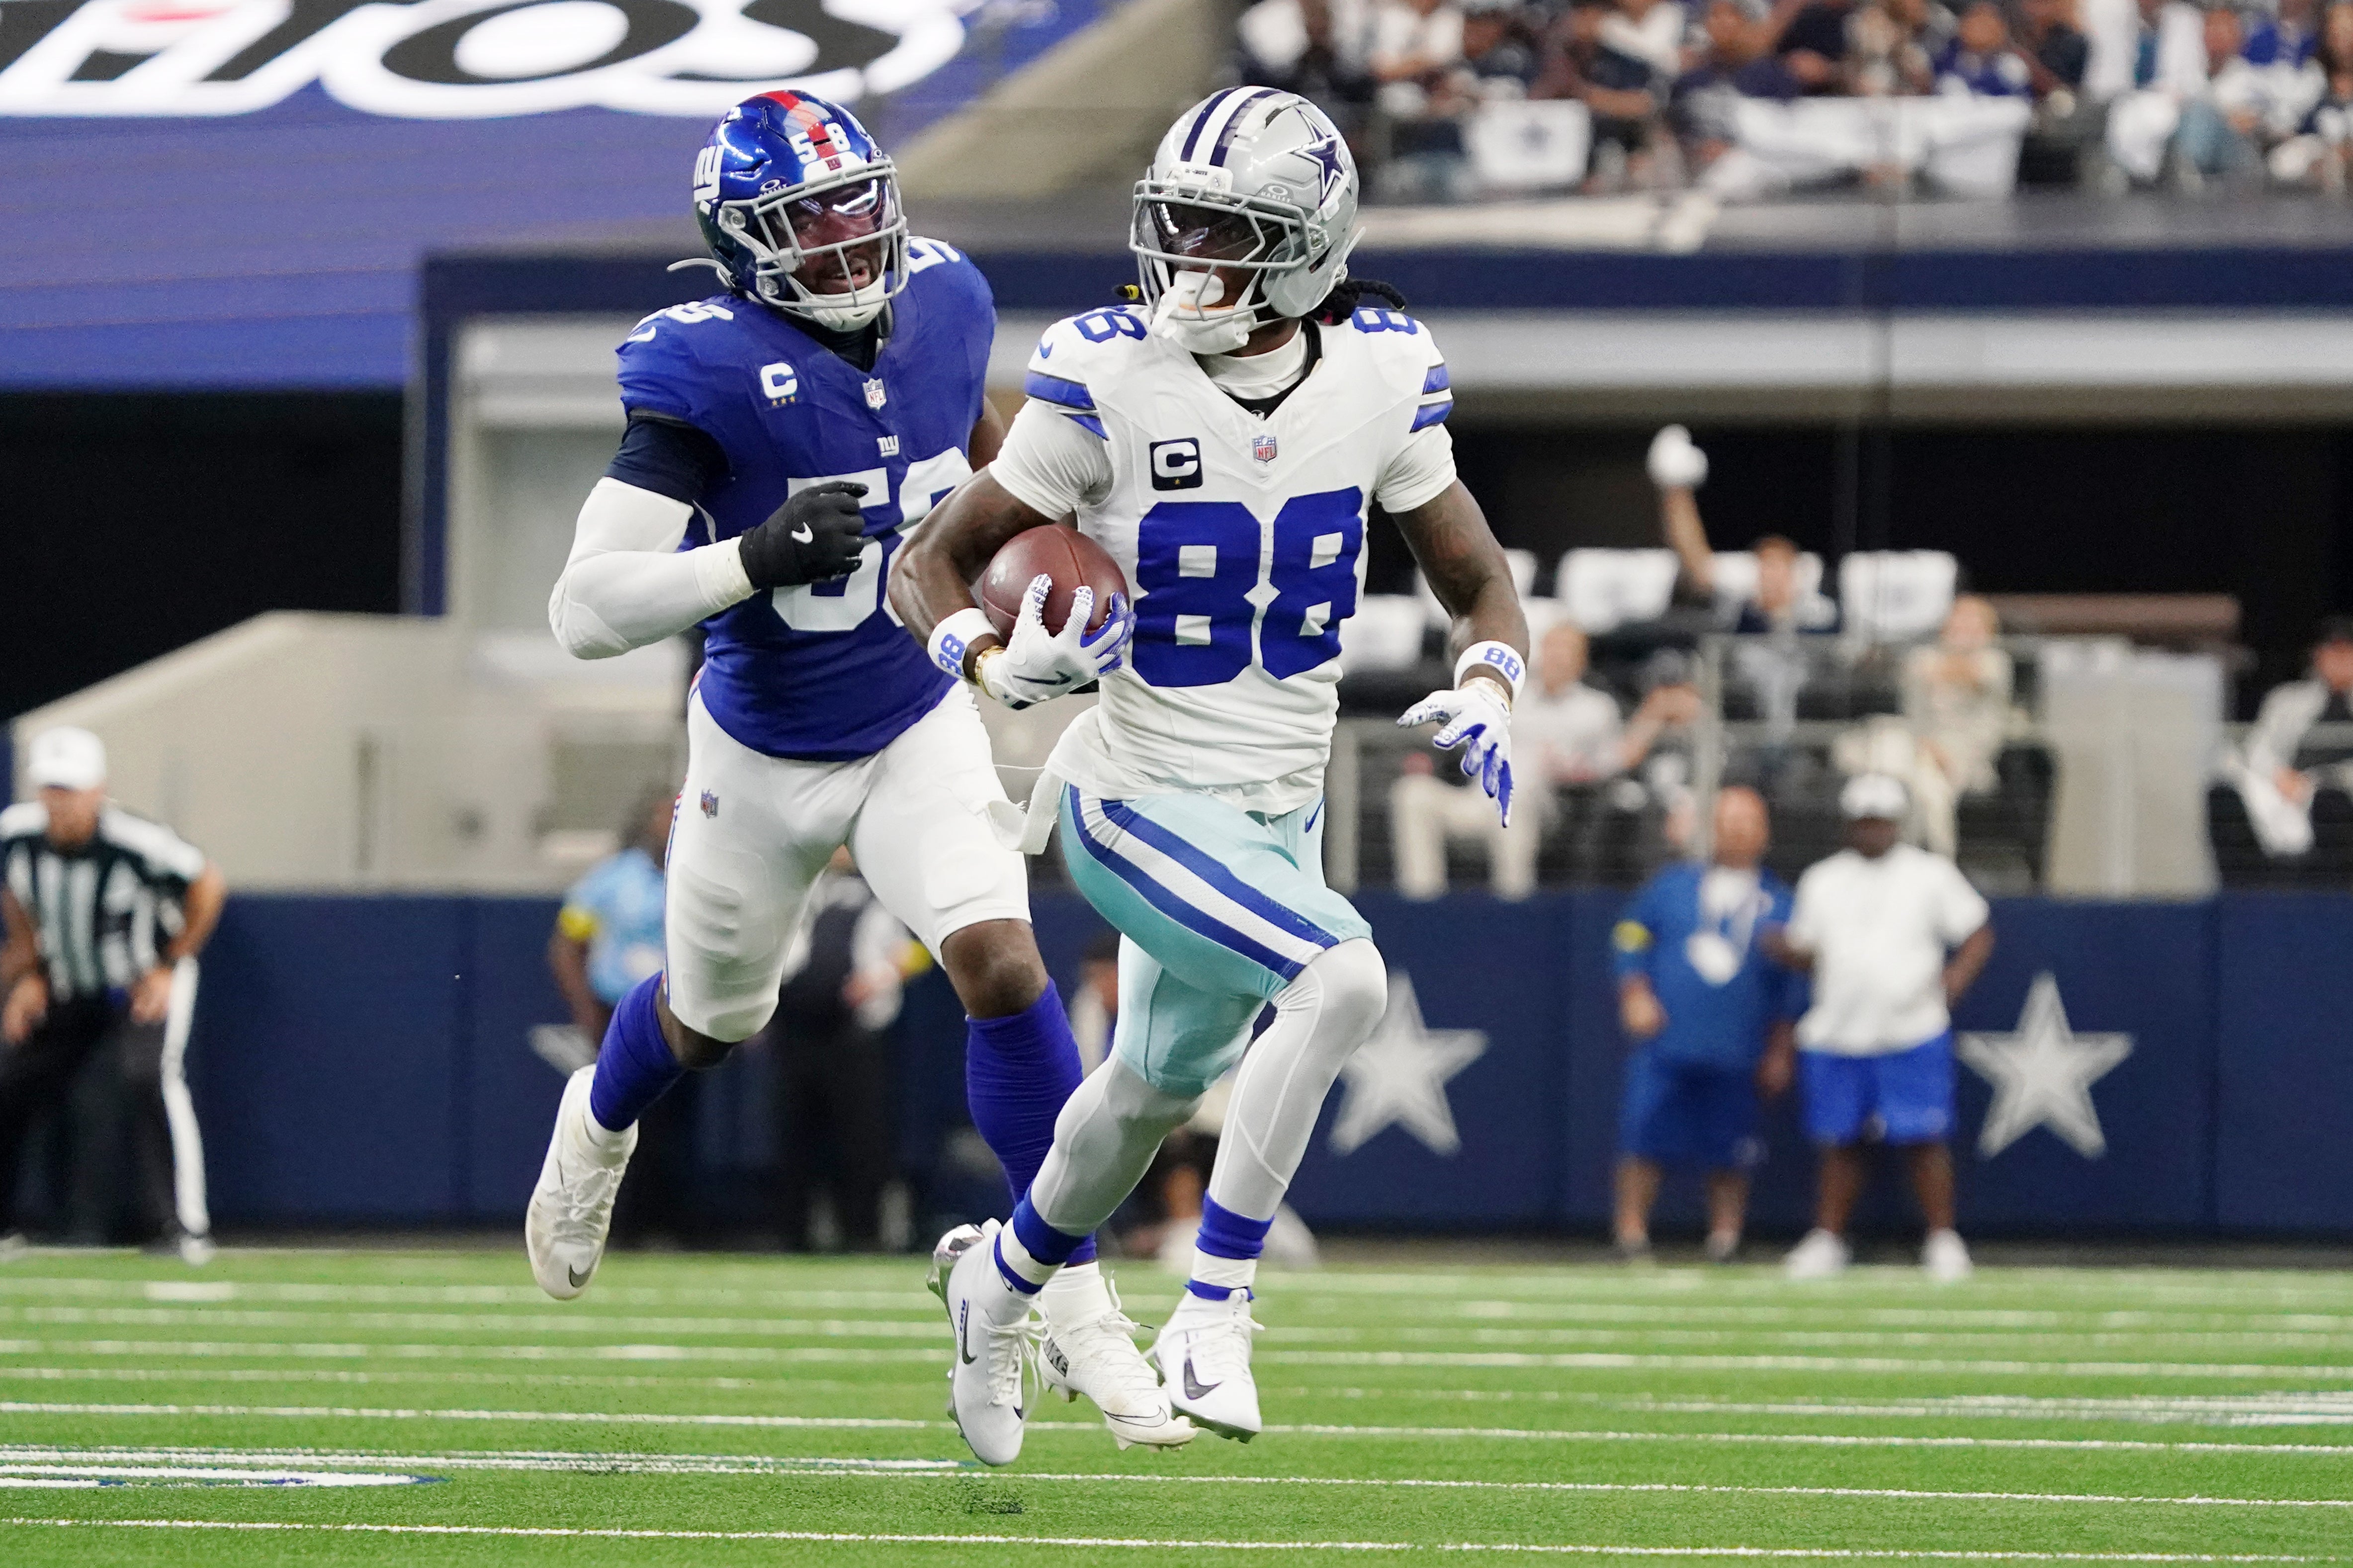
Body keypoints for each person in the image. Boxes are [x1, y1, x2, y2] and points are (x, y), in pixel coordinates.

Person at [524, 92, 1182, 1453]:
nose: (843, 243)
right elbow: (583, 611)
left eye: (851, 206)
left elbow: (984, 452)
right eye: (802, 226)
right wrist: (750, 556)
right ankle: (593, 1128)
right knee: (711, 1021)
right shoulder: (699, 374)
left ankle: (1071, 1294)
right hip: (762, 749)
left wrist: (1057, 550)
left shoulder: (945, 295)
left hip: (913, 711)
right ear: (738, 247)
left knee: (999, 961)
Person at [894, 86, 1528, 1463]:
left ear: (1307, 250)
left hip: (1271, 809)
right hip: (1132, 793)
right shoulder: (1109, 373)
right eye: (1175, 229)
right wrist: (990, 667)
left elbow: (1474, 575)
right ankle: (1215, 1306)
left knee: (1136, 1099)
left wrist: (1490, 678)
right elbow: (925, 561)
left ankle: (992, 1290)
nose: (1188, 265)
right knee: (1343, 976)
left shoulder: (1379, 368)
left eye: (1224, 237)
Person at [0, 727, 225, 1264]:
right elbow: (14, 892)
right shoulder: (15, 835)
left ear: (98, 789)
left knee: (150, 1076)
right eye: (52, 789)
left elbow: (208, 884)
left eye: (71, 789)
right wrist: (29, 969)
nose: (61, 803)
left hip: (141, 981)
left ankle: (180, 1226)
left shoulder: (135, 840)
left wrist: (170, 964)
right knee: (9, 1080)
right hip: (67, 982)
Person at [1772, 773, 1994, 1283]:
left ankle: (1941, 1239)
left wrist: (1954, 978)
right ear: (1850, 824)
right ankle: (1827, 1238)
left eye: (1881, 821)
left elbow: (1976, 929)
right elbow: (1811, 952)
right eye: (1864, 821)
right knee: (1839, 1140)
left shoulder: (1929, 873)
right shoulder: (1822, 879)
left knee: (1923, 1137)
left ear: (1896, 823)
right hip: (1837, 1029)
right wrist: (1789, 953)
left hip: (1910, 1027)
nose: (1873, 830)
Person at [1610, 787, 1801, 1264]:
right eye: (1728, 820)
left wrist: (1781, 1051)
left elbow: (1790, 991)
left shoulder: (1780, 903)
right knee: (1644, 1138)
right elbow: (1629, 933)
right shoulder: (1672, 886)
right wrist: (1634, 991)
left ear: (1764, 834)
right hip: (1666, 1041)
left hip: (1736, 1045)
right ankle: (1630, 1233)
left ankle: (1725, 1237)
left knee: (1731, 1149)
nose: (1736, 832)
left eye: (1747, 822)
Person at [1390, 621, 1695, 897]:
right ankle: (1423, 901)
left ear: (1582, 660)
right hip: (1475, 804)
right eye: (1552, 649)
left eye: (1567, 651)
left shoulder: (1596, 708)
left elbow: (1614, 761)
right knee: (1412, 793)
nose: (1557, 658)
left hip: (1548, 808)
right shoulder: (1508, 696)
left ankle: (1513, 904)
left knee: (1517, 787)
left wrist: (1576, 769)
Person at [547, 789, 698, 1245]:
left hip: (684, 1015)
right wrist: (586, 1009)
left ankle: (671, 1224)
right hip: (622, 1012)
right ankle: (620, 1225)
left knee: (676, 1128)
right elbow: (566, 945)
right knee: (620, 1119)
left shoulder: (696, 875)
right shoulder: (612, 879)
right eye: (661, 816)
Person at [768, 849, 915, 1251]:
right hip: (796, 1027)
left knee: (859, 1138)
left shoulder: (883, 894)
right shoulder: (799, 891)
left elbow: (909, 953)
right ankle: (792, 1233)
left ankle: (861, 1232)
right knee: (794, 1135)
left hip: (852, 1031)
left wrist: (878, 980)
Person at [2220, 617, 2353, 861]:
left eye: (2347, 653)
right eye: (2332, 652)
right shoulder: (2287, 699)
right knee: (2229, 763)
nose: (2339, 661)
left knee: (2328, 800)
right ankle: (2283, 857)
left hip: (2334, 793)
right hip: (2281, 788)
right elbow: (2259, 748)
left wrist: (2316, 783)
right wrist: (2279, 775)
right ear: (2317, 656)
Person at [1898, 595, 2014, 860]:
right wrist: (1928, 746)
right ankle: (1928, 859)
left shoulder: (1997, 661)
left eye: (1973, 623)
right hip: (1923, 749)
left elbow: (1975, 676)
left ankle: (1929, 859)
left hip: (1970, 757)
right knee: (1925, 788)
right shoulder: (1922, 657)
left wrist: (1943, 666)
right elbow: (1912, 713)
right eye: (1959, 620)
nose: (1963, 628)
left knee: (1927, 789)